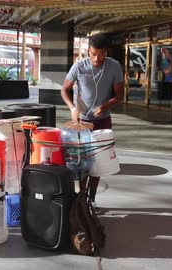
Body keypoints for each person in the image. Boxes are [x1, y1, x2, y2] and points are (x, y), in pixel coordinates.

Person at [61, 34, 125, 207]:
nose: (98, 58)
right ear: (88, 51)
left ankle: (92, 198)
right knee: (83, 163)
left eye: (102, 54)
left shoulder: (114, 66)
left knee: (99, 163)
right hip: (82, 122)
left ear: (107, 52)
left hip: (103, 122)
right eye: (94, 54)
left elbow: (120, 95)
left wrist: (105, 106)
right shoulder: (79, 67)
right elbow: (64, 90)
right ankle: (81, 199)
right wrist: (72, 108)